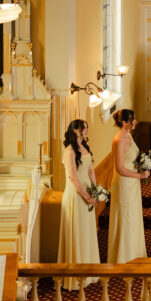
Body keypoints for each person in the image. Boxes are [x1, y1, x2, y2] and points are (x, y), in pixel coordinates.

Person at [57, 120, 100, 290]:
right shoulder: (69, 152)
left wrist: (95, 190)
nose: (87, 130)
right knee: (76, 232)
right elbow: (73, 178)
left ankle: (89, 272)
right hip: (76, 195)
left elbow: (90, 169)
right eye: (84, 128)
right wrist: (87, 197)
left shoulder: (84, 148)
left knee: (86, 231)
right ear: (75, 130)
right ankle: (74, 277)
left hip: (87, 192)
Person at [107, 109, 149, 263]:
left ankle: (134, 253)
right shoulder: (119, 140)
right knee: (126, 218)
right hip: (124, 183)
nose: (135, 122)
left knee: (132, 217)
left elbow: (130, 158)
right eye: (133, 120)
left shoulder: (128, 135)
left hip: (132, 183)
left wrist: (141, 166)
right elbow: (119, 168)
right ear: (125, 123)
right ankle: (124, 257)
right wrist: (140, 175)